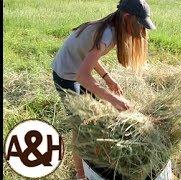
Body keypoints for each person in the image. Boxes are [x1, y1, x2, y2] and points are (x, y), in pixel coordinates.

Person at [51, 0, 156, 179]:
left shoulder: (111, 30)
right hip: (66, 76)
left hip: (78, 71)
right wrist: (114, 99)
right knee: (80, 127)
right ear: (127, 17)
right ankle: (80, 175)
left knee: (94, 118)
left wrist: (107, 78)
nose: (141, 30)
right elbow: (83, 76)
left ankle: (92, 159)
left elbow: (88, 55)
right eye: (139, 24)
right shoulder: (107, 35)